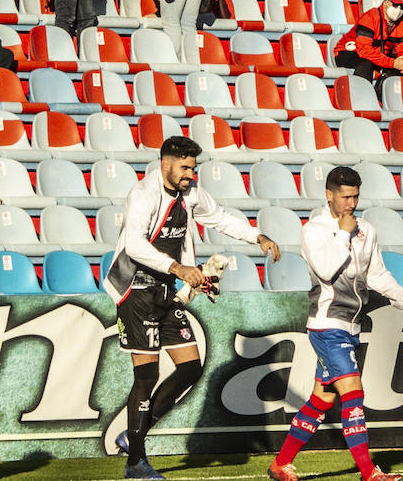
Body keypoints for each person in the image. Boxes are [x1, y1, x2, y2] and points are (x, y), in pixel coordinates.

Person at [105, 135, 281, 481]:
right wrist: (179, 269)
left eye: (193, 167)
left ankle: (134, 436)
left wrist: (256, 236)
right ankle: (135, 463)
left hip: (166, 291)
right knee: (147, 375)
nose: (190, 174)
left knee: (190, 368)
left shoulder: (190, 194)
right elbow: (135, 245)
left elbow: (219, 218)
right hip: (134, 292)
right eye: (185, 167)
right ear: (165, 163)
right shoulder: (143, 194)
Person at [267, 165, 403, 481]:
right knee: (353, 392)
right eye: (345, 197)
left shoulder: (366, 230)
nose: (351, 204)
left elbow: (377, 274)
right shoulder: (314, 230)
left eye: (355, 196)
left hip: (352, 326)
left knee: (322, 399)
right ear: (329, 195)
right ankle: (369, 472)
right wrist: (342, 233)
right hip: (326, 325)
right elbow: (326, 271)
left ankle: (280, 464)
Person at [333, 0, 403, 89]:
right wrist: (392, 63)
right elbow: (364, 51)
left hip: (378, 55)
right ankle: (362, 97)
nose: (399, 10)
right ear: (386, 3)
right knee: (366, 64)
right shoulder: (370, 17)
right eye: (396, 5)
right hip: (350, 52)